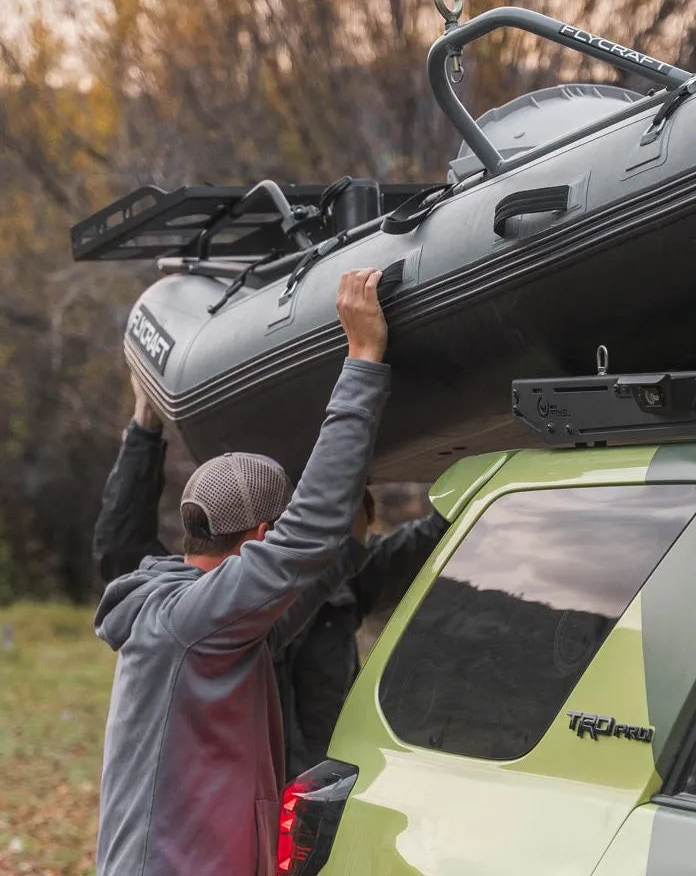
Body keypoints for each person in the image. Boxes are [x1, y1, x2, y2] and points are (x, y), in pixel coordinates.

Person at [95, 268, 392, 876]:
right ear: (260, 537)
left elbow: (301, 590)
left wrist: (349, 544)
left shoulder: (212, 630)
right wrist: (362, 359)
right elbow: (308, 534)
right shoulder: (192, 622)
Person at [94, 377, 447, 780]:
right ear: (266, 533)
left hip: (319, 792)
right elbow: (121, 553)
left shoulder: (342, 578)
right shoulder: (202, 611)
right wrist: (144, 428)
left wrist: (475, 489)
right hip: (248, 793)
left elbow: (425, 545)